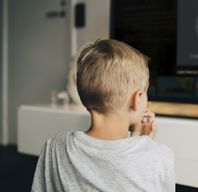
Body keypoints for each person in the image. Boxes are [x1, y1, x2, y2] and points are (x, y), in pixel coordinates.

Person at [31, 39, 175, 192]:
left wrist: (139, 144)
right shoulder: (160, 156)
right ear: (137, 99)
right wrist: (145, 147)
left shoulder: (54, 147)